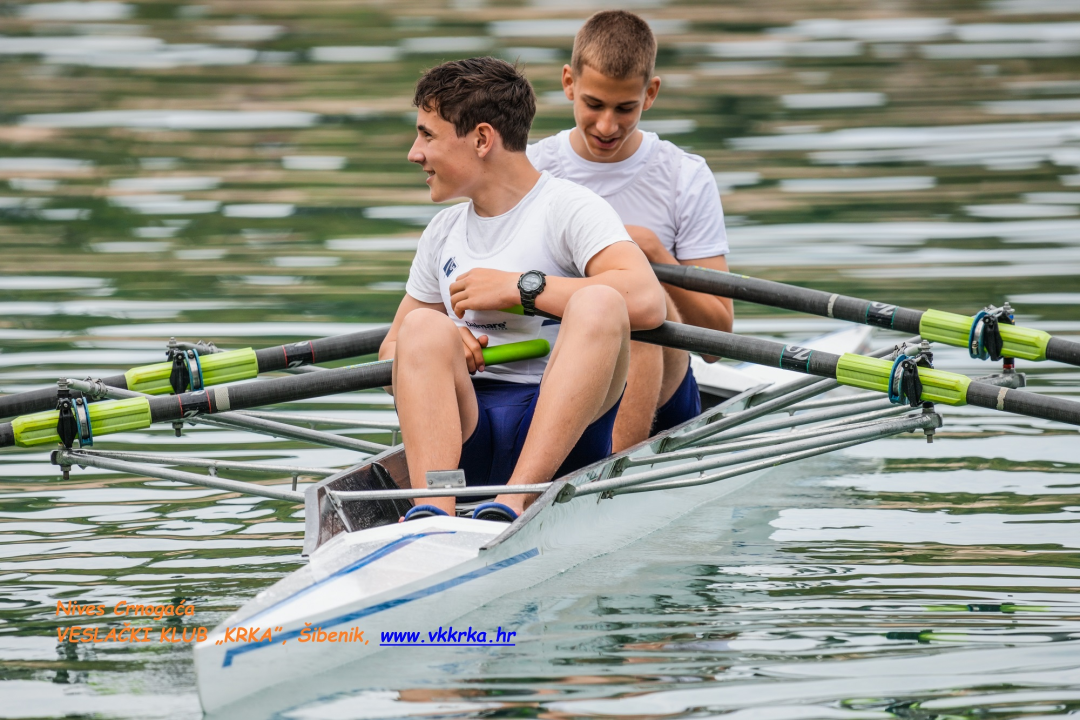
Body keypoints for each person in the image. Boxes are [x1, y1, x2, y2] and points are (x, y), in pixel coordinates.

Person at [378, 57, 666, 523]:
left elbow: (645, 300)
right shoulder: (442, 230)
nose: (415, 152)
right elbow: (390, 350)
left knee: (599, 300)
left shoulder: (569, 209)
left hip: (564, 438)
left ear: (482, 139)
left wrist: (522, 288)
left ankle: (514, 502)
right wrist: (447, 341)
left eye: (427, 135)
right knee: (420, 327)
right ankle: (433, 510)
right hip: (469, 430)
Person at [527, 10, 734, 452]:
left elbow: (719, 340)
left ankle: (612, 471)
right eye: (593, 104)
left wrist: (654, 256)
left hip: (662, 387)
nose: (607, 126)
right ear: (568, 83)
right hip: (545, 375)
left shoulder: (684, 176)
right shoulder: (531, 169)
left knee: (630, 302)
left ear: (651, 93)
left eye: (626, 108)